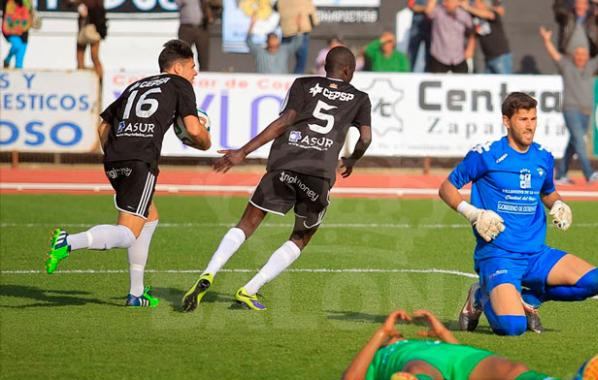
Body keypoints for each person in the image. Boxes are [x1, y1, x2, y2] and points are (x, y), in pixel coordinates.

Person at [181, 46, 372, 312]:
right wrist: (352, 160)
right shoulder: (360, 97)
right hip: (318, 175)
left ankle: (208, 273)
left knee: (247, 222)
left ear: (325, 67)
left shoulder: (303, 84)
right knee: (301, 236)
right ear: (348, 71)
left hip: (285, 163)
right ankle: (250, 289)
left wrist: (243, 152)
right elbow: (365, 138)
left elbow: (285, 120)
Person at [45, 40, 211, 307]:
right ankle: (69, 242)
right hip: (140, 161)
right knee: (127, 233)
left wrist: (115, 154)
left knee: (150, 217)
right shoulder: (181, 85)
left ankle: (136, 293)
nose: (195, 73)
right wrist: (205, 141)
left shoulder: (137, 85)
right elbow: (193, 129)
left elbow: (102, 126)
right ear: (178, 67)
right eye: (193, 67)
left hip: (114, 160)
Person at [438, 92, 598, 336]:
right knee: (512, 327)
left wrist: (559, 204)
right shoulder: (486, 154)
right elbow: (446, 187)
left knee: (593, 280)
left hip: (536, 253)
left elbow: (548, 192)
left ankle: (530, 301)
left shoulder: (543, 157)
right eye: (523, 119)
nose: (530, 126)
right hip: (498, 255)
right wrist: (472, 213)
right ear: (507, 121)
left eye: (534, 119)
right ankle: (482, 294)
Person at [341, 309, 598, 380]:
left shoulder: (430, 341)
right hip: (419, 367)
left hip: (462, 358)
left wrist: (443, 333)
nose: (398, 333)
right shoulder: (382, 355)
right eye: (394, 334)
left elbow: (456, 353)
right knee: (418, 367)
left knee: (511, 369)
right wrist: (381, 334)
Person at [540, 27, 598, 184]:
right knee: (580, 142)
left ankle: (560, 174)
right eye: (578, 54)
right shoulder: (567, 66)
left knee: (574, 143)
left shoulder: (591, 65)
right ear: (574, 56)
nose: (581, 57)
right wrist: (547, 40)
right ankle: (589, 173)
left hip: (586, 112)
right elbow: (554, 55)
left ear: (587, 56)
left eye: (584, 54)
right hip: (571, 109)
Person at [459, 0, 512, 74]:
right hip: (488, 58)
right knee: (489, 84)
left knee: (504, 83)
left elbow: (489, 15)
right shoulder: (475, 17)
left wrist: (468, 8)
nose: (476, 5)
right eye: (475, 3)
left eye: (479, 3)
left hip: (500, 56)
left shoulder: (492, 13)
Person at [425, 0, 476, 73]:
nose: (453, 4)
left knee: (463, 81)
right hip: (439, 57)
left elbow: (472, 32)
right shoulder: (438, 12)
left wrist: (470, 48)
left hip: (458, 57)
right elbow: (428, 12)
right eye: (450, 1)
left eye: (454, 2)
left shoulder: (463, 14)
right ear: (445, 2)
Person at [277, 0, 319, 74]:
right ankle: (296, 80)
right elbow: (313, 15)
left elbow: (276, 9)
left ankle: (281, 79)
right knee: (301, 61)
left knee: (282, 59)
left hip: (286, 32)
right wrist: (313, 24)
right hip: (301, 30)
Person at [72, 0, 107, 80]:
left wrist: (81, 4)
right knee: (82, 58)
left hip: (93, 27)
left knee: (93, 57)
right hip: (89, 27)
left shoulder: (92, 3)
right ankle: (81, 80)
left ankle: (100, 81)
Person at [175, 0, 212, 72]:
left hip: (202, 27)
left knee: (203, 57)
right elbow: (178, 3)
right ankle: (182, 79)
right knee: (183, 55)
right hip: (187, 28)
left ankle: (204, 77)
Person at [2, 0, 33, 68]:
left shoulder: (27, 2)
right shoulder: (8, 2)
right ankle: (7, 60)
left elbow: (30, 12)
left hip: (24, 31)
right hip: (10, 30)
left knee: (19, 61)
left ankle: (17, 77)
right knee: (17, 45)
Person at [407, 0, 432, 71]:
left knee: (430, 57)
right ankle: (406, 76)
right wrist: (426, 9)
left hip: (432, 27)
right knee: (411, 54)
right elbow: (411, 6)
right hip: (417, 27)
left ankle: (428, 78)